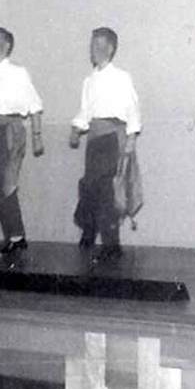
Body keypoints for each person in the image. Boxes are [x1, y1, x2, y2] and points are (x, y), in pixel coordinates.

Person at [70, 27, 142, 261]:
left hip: (113, 138)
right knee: (89, 186)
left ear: (111, 49)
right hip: (94, 140)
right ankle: (89, 232)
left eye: (101, 46)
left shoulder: (122, 77)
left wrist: (131, 139)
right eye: (93, 45)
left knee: (109, 190)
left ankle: (112, 244)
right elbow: (85, 111)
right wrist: (76, 128)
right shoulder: (89, 81)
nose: (95, 50)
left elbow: (133, 110)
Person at [0, 27, 44, 256]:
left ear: (7, 46)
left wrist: (37, 136)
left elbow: (35, 106)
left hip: (11, 132)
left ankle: (15, 236)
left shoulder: (18, 72)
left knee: (6, 186)